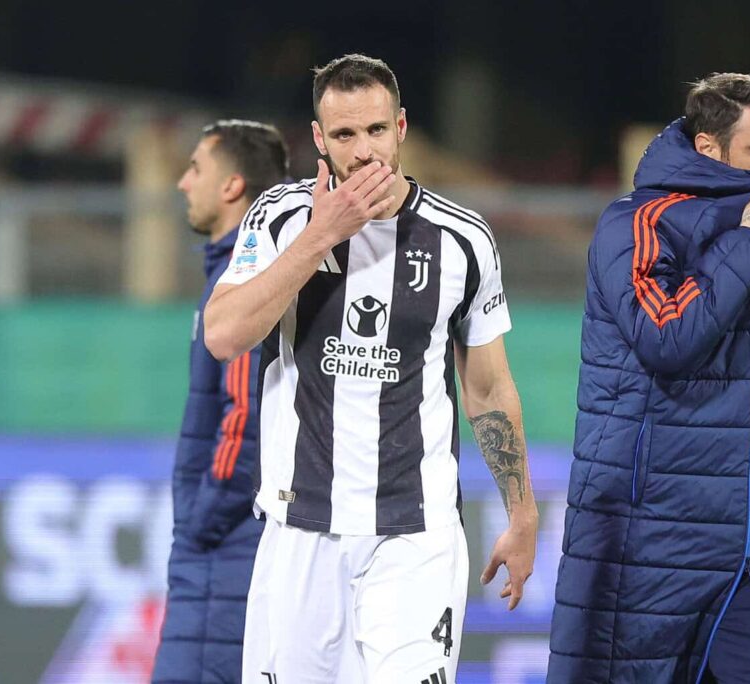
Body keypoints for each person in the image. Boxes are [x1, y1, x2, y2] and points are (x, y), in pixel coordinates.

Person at [204, 54, 538, 683]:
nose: (363, 151)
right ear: (318, 139)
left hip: (415, 533)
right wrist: (319, 237)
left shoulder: (462, 239)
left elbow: (488, 387)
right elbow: (222, 335)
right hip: (301, 525)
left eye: (377, 130)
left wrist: (521, 515)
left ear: (401, 127)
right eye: (344, 134)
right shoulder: (280, 217)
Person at [547, 73, 750, 683]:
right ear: (707, 147)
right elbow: (667, 337)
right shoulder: (638, 222)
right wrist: (748, 236)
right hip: (650, 539)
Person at [151, 119, 289, 684]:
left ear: (233, 186)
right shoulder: (241, 272)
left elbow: (245, 414)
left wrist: (202, 517)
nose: (183, 183)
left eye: (195, 169)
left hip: (227, 544)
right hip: (227, 543)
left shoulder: (244, 279)